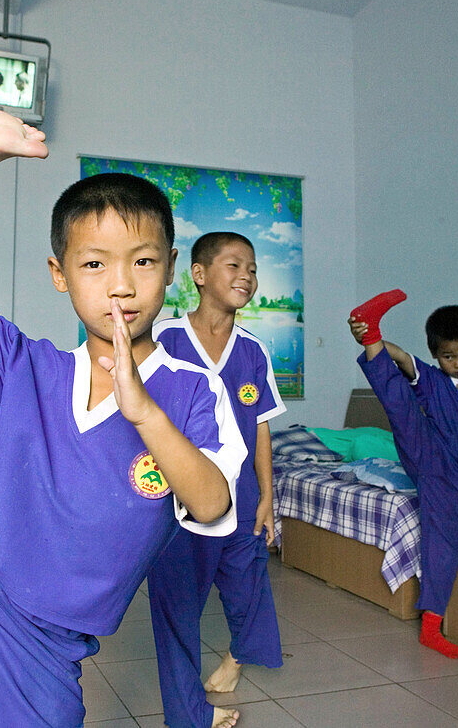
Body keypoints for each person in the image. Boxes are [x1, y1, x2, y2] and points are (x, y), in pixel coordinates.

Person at [0, 112, 246, 726]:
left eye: (143, 262)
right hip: (8, 578)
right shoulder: (39, 367)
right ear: (61, 276)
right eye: (95, 265)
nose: (121, 287)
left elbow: (210, 504)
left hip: (50, 613)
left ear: (173, 268)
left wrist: (144, 412)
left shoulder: (192, 391)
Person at [147, 232, 285, 728]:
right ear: (199, 275)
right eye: (233, 265)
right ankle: (188, 714)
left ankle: (238, 656)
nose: (246, 275)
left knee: (248, 587)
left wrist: (267, 495)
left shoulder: (254, 352)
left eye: (252, 267)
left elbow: (262, 424)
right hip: (179, 499)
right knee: (177, 610)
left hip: (242, 494)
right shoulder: (164, 339)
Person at [348, 293, 458, 658]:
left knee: (446, 536)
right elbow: (399, 356)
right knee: (400, 400)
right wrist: (369, 335)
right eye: (449, 356)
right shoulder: (433, 377)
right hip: (430, 462)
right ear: (435, 354)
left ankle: (432, 621)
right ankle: (432, 626)